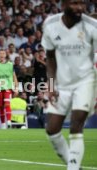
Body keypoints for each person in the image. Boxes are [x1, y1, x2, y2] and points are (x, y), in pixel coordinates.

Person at [42, 1, 97, 169]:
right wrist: (51, 86)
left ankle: (72, 168)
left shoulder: (91, 26)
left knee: (76, 125)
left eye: (82, 3)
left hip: (85, 82)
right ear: (64, 4)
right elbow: (50, 59)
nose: (80, 7)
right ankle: (75, 166)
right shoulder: (50, 25)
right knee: (52, 129)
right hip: (62, 84)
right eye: (75, 3)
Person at [0, 49, 18, 129]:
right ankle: (3, 124)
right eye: (0, 53)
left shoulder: (10, 64)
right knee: (1, 106)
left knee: (7, 103)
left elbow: (14, 77)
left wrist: (16, 88)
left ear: (6, 55)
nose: (2, 55)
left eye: (3, 53)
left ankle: (9, 121)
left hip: (8, 87)